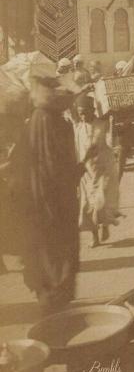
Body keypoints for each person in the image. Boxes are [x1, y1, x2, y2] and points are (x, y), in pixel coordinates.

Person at [10, 77, 92, 314]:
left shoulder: (35, 122)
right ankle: (55, 302)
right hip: (54, 200)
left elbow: (21, 161)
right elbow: (56, 167)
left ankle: (47, 297)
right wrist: (79, 167)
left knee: (43, 248)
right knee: (58, 249)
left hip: (36, 199)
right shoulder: (54, 123)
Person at [73, 94, 121, 247]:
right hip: (86, 172)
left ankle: (105, 225)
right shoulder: (78, 127)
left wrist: (112, 124)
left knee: (101, 202)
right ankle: (95, 236)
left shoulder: (102, 125)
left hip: (103, 170)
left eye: (85, 112)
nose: (83, 116)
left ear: (92, 110)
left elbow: (110, 143)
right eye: (80, 113)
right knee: (87, 205)